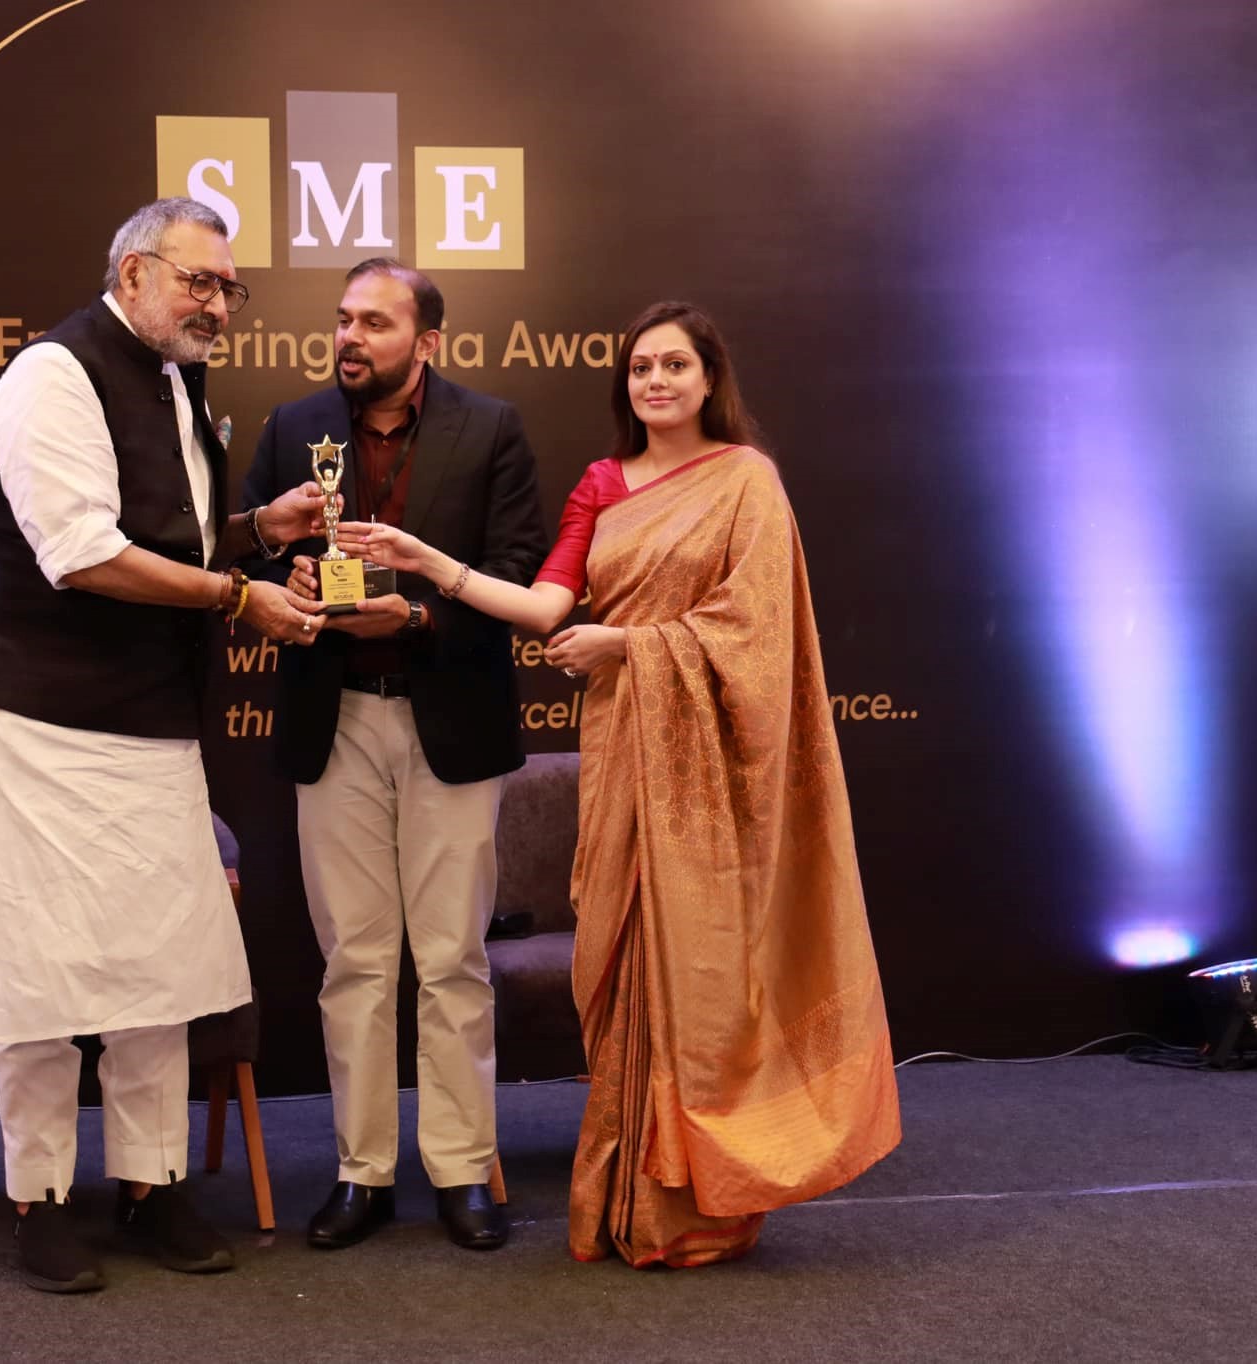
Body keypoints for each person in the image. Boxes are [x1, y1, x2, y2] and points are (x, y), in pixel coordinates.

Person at [339, 300, 901, 1267]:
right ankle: (637, 1186)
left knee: (707, 973)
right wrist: (427, 563)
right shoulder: (602, 484)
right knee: (622, 961)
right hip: (625, 757)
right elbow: (545, 605)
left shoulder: (746, 484)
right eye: (641, 369)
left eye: (675, 366)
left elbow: (756, 639)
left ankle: (707, 1193)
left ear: (710, 378)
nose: (656, 383)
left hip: (709, 776)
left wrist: (630, 645)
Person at [0, 198, 328, 1294]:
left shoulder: (176, 382)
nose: (218, 306)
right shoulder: (50, 374)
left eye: (229, 288)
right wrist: (240, 593)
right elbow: (82, 554)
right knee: (44, 977)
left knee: (158, 970)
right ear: (134, 272)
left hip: (149, 721)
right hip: (41, 714)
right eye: (200, 282)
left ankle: (151, 1184)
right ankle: (38, 1198)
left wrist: (252, 533)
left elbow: (163, 544)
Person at [240, 259, 548, 1252]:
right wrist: (278, 588)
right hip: (333, 717)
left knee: (452, 956)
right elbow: (243, 555)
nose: (350, 337)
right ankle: (360, 1170)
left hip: (446, 715)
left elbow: (513, 575)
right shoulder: (293, 426)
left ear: (427, 340)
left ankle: (461, 1168)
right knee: (354, 960)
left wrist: (412, 612)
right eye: (342, 320)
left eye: (373, 321)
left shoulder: (490, 426)